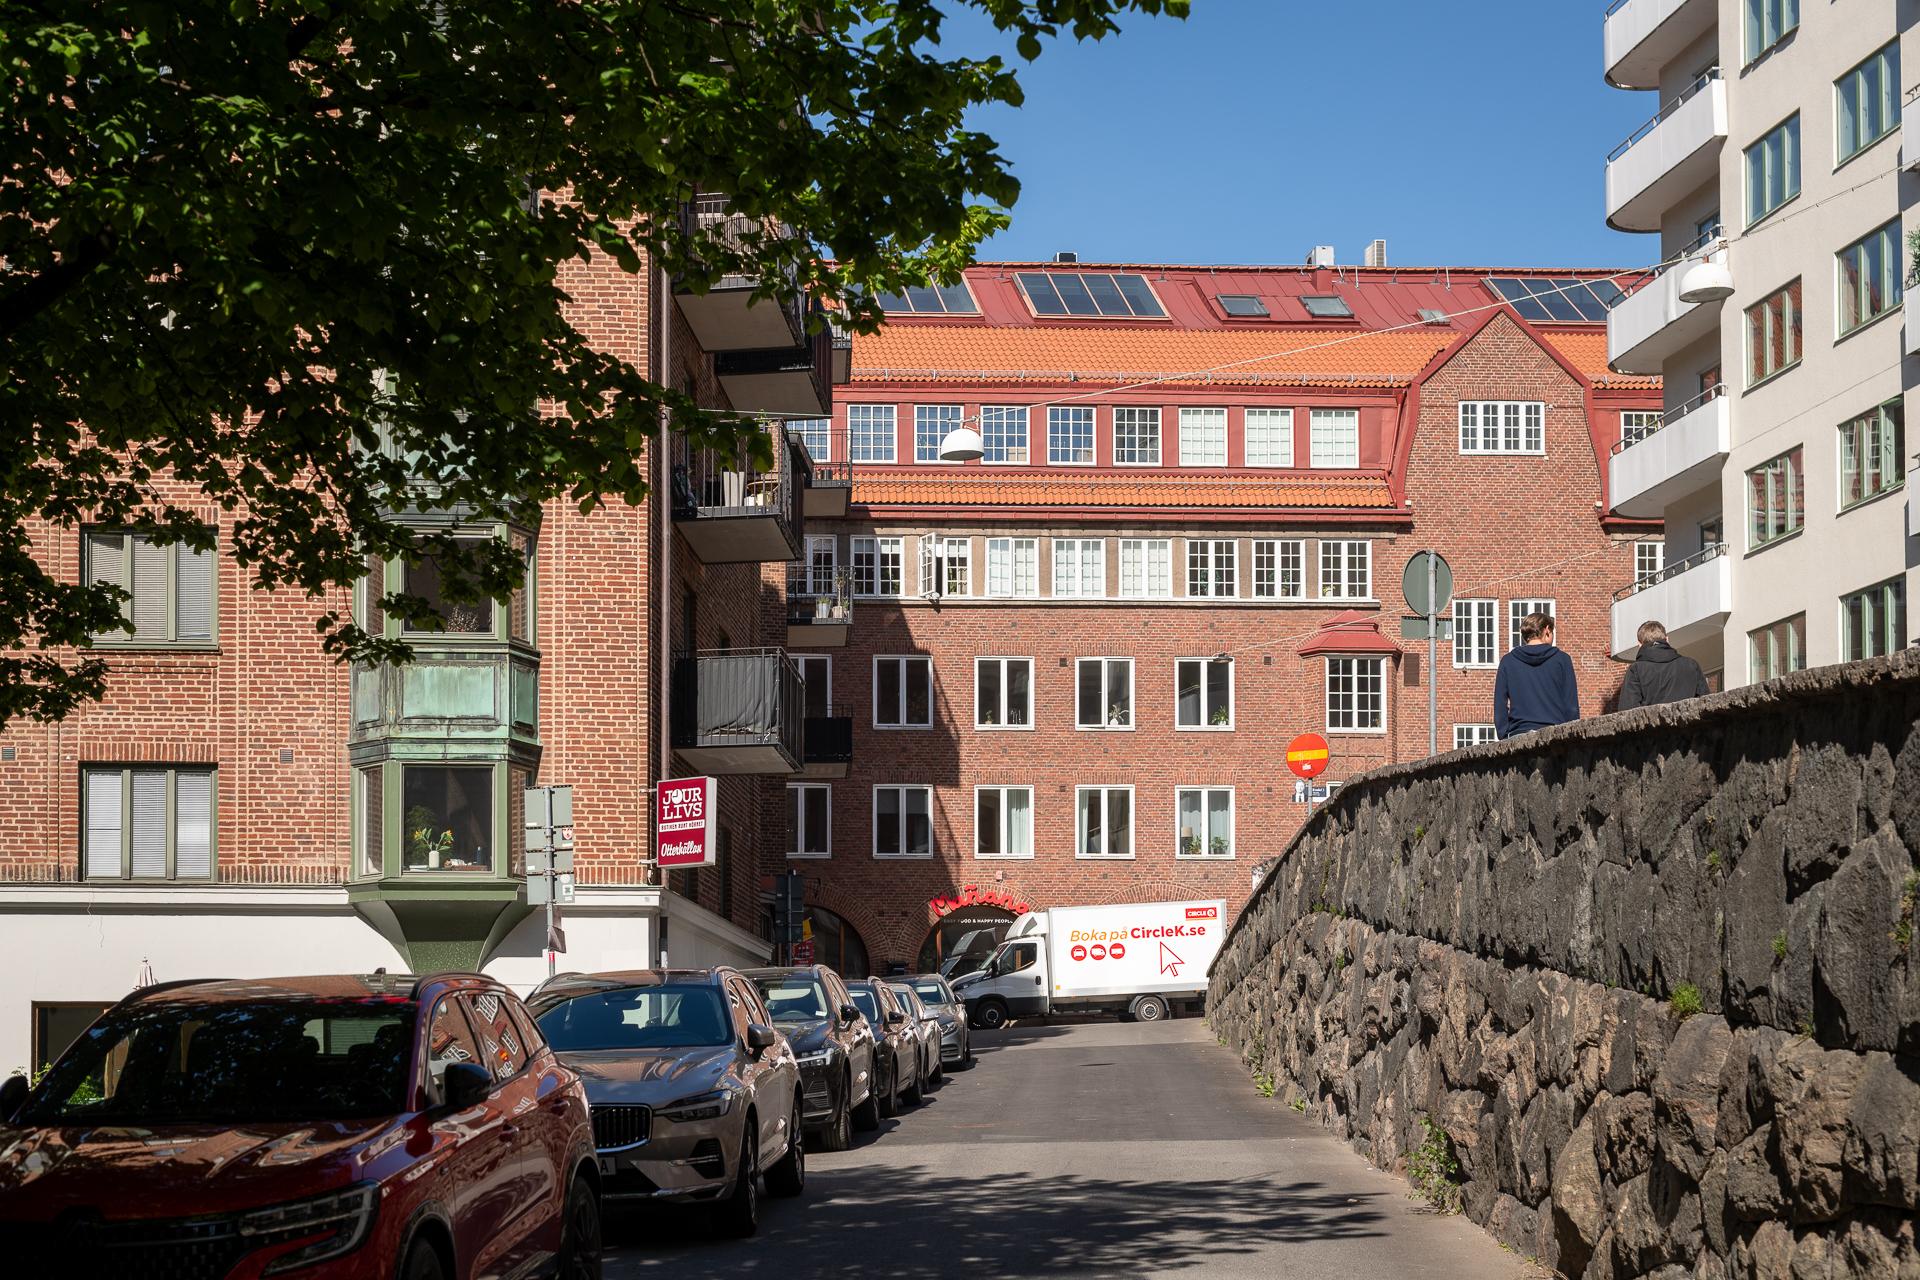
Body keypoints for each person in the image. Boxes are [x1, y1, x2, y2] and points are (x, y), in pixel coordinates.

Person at [1493, 611, 1579, 739]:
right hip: (1555, 735)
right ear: (1547, 630)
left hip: (1519, 733)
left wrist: (1504, 735)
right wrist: (1571, 736)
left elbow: (1500, 703)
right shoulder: (1562, 659)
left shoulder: (1508, 661)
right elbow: (1571, 705)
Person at [1617, 620, 1709, 709]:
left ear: (1639, 644)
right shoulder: (1691, 665)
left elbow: (1627, 710)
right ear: (1667, 639)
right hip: (1689, 719)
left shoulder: (1636, 670)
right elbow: (1706, 704)